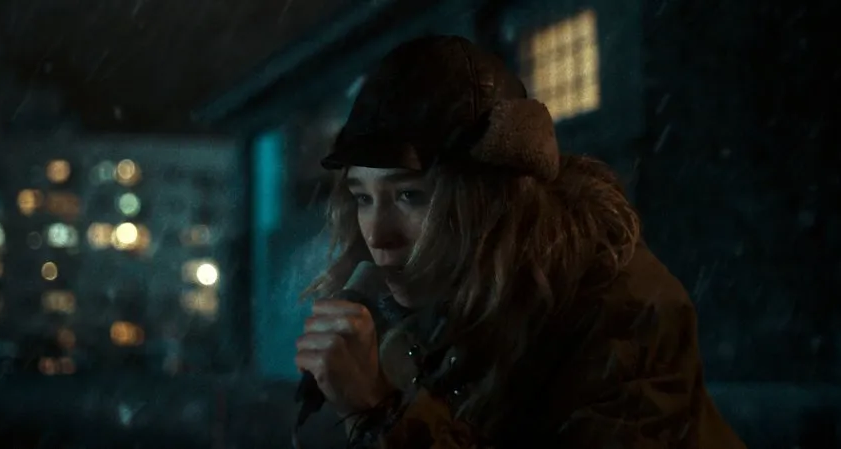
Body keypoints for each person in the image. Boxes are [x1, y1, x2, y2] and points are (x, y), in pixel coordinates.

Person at [294, 35, 746, 449]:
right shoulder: (432, 313)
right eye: (363, 198)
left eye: (409, 196)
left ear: (489, 201)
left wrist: (382, 415)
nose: (377, 235)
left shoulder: (624, 313)